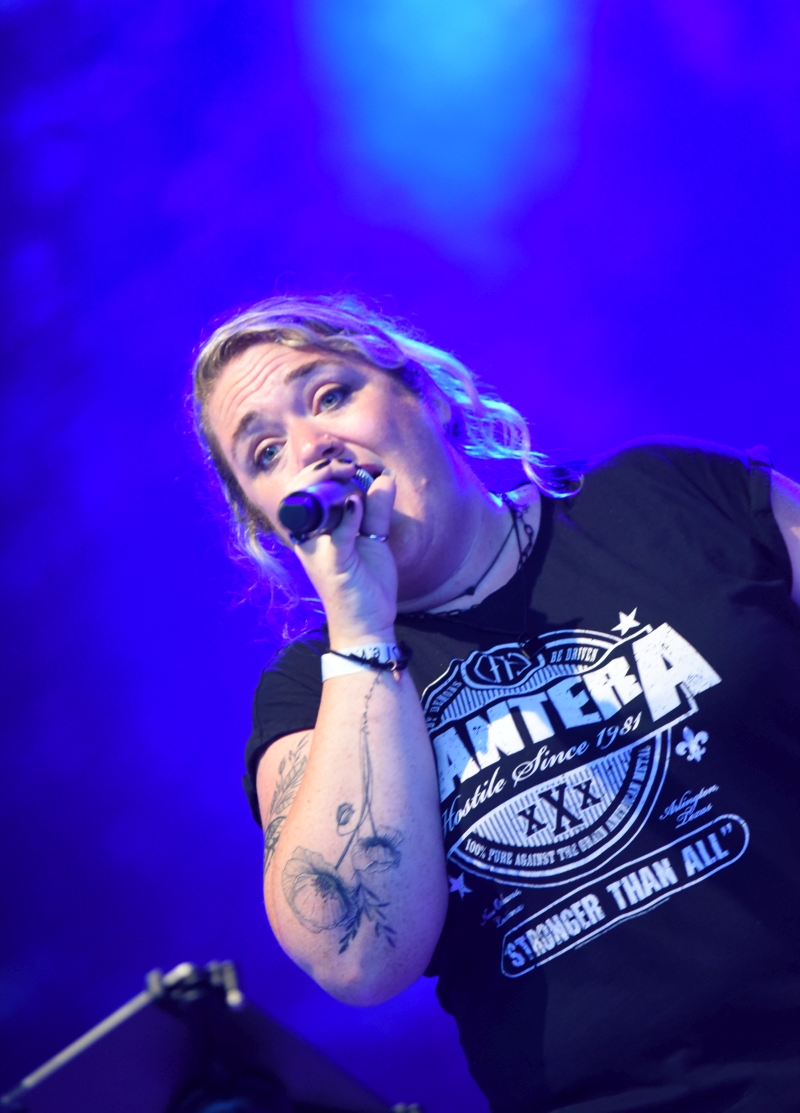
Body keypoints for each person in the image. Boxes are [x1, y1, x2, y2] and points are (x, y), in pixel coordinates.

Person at [192, 294, 800, 1113]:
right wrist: (363, 633)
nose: (311, 448)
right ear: (273, 526)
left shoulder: (671, 499)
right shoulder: (315, 694)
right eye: (265, 452)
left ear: (429, 396)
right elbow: (358, 956)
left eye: (330, 395)